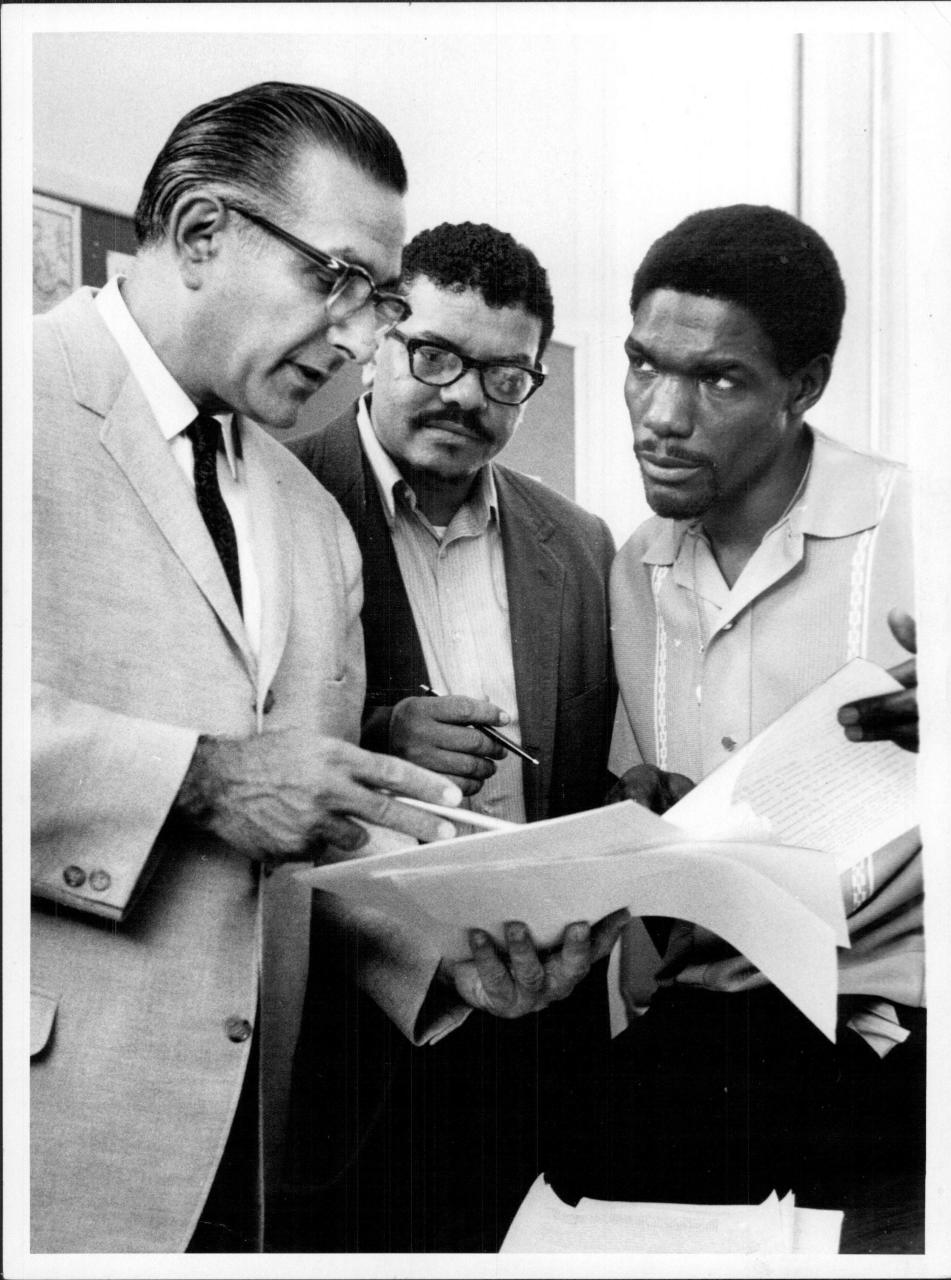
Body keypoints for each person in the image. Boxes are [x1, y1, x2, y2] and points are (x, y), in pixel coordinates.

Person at [31, 80, 480, 1254]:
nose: (363, 336)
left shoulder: (311, 515)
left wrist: (460, 958)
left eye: (377, 298)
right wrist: (203, 779)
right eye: (333, 280)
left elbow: (305, 824)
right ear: (196, 231)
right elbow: (242, 784)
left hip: (255, 1161)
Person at [545, 204, 924, 1237]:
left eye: (718, 378)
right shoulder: (630, 562)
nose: (659, 414)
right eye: (641, 364)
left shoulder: (929, 530)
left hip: (903, 1030)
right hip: (712, 1023)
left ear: (802, 387)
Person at [284, 221, 619, 1250]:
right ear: (379, 336)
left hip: (540, 1027)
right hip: (353, 1042)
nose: (467, 396)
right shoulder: (278, 500)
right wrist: (383, 730)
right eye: (435, 355)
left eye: (505, 376)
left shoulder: (581, 541)